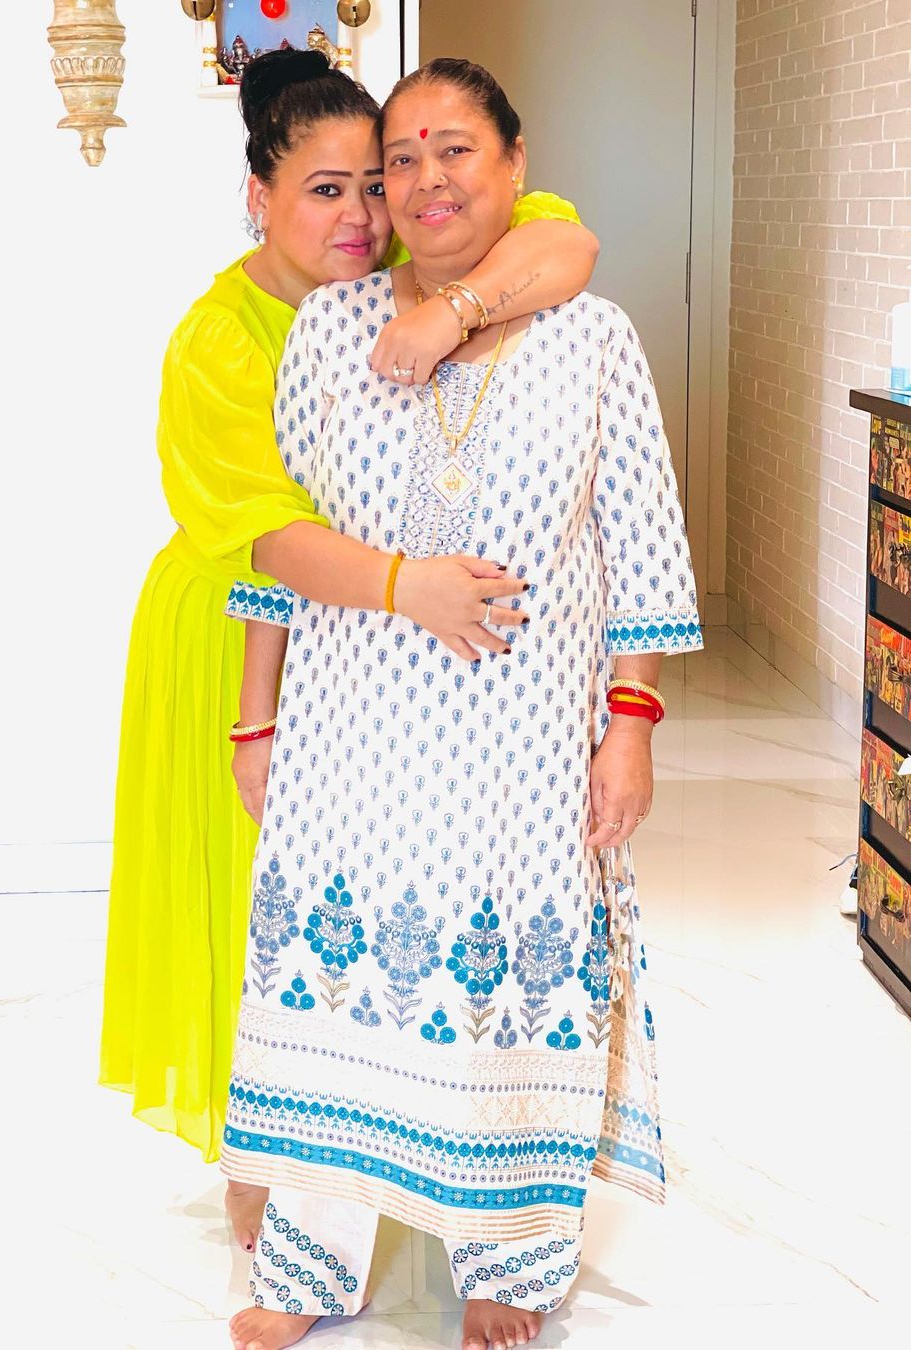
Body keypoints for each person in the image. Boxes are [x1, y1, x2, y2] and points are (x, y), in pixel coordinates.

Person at [222, 58, 702, 1350]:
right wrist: (257, 720)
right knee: (325, 987)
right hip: (350, 734)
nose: (426, 179)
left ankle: (513, 1259)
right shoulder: (331, 328)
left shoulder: (590, 336)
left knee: (508, 991)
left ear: (514, 163)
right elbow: (278, 535)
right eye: (401, 160)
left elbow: (642, 544)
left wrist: (630, 725)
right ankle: (309, 1266)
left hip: (520, 746)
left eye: (455, 150)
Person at [97, 46, 602, 1255]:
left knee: (377, 904)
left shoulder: (410, 280)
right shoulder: (222, 341)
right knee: (254, 901)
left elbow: (566, 243)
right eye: (326, 190)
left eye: (375, 184)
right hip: (238, 636)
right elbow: (273, 538)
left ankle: (405, 1137)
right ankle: (266, 1160)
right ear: (259, 195)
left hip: (388, 649)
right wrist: (399, 592)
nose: (366, 215)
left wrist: (451, 307)